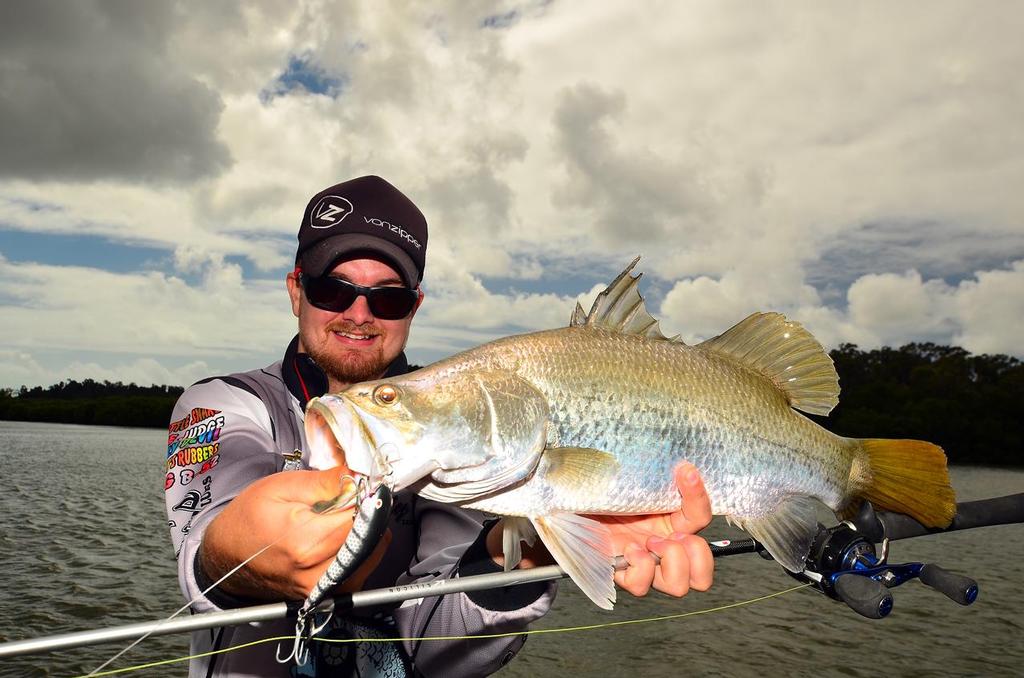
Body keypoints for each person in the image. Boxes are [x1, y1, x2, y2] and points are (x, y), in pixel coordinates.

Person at [164, 176, 715, 677]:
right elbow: (205, 548)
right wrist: (237, 551)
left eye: (389, 297)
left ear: (414, 307)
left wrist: (524, 551)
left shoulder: (461, 449)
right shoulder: (222, 406)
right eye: (333, 289)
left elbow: (437, 647)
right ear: (295, 291)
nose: (359, 313)